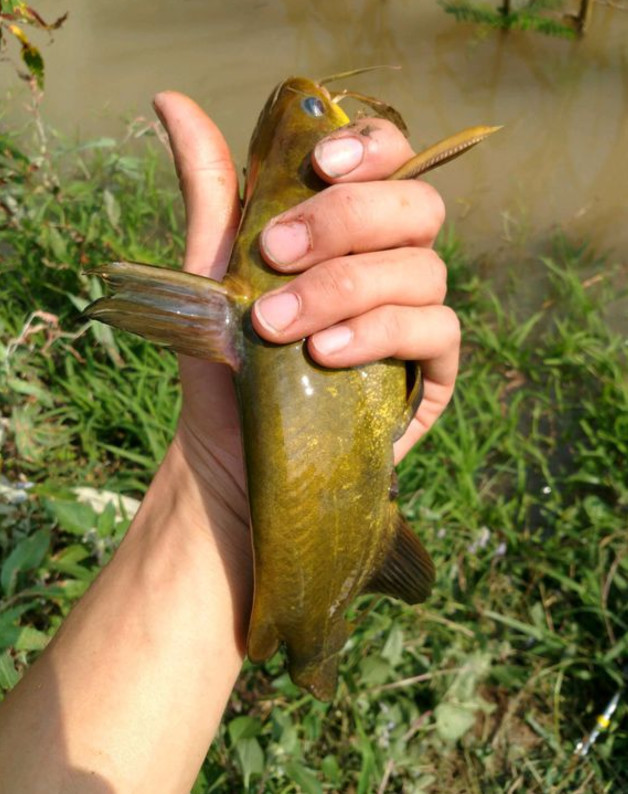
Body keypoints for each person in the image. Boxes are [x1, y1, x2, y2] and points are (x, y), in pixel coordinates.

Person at [0, 90, 460, 793]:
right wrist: (212, 485)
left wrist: (223, 487)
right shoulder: (239, 299)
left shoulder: (243, 291)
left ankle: (315, 649)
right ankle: (315, 652)